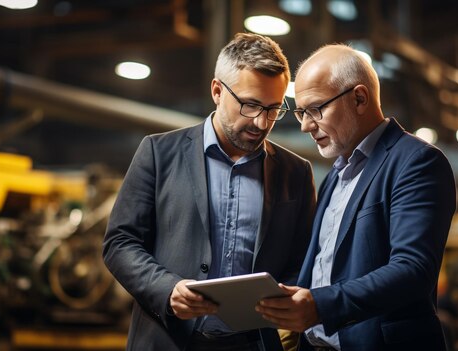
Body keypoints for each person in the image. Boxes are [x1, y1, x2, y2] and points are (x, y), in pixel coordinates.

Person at [102, 33, 317, 351]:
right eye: (250, 105)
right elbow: (120, 243)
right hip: (167, 339)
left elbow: (303, 258)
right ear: (217, 91)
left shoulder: (296, 173)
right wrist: (168, 289)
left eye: (273, 109)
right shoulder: (158, 153)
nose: (261, 122)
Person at [256, 44, 457, 350]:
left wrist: (320, 305)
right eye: (300, 111)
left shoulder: (416, 162)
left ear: (359, 98)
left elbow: (413, 269)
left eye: (315, 109)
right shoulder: (334, 176)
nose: (305, 125)